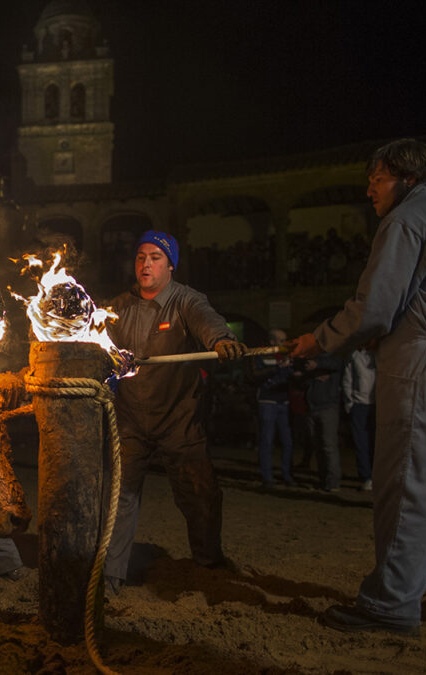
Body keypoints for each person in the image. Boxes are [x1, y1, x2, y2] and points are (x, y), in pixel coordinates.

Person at [289, 139, 426, 635]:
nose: (369, 191)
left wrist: (320, 339)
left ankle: (391, 604)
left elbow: (376, 307)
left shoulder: (406, 220)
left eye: (376, 180)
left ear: (403, 177)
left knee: (410, 478)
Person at [104, 230, 248, 593]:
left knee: (199, 492)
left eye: (155, 257)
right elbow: (96, 343)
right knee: (119, 495)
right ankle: (110, 574)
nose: (145, 264)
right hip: (131, 417)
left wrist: (221, 340)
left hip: (179, 418)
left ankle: (208, 562)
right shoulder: (118, 307)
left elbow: (207, 320)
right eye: (140, 257)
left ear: (170, 265)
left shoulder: (186, 300)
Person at [292, 353, 343, 492]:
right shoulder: (309, 361)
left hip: (327, 407)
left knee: (328, 445)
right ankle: (323, 480)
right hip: (312, 407)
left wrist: (317, 366)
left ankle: (333, 482)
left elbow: (337, 363)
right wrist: (305, 376)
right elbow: (305, 384)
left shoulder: (333, 356)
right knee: (319, 446)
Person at [252, 329, 294, 488]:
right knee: (267, 440)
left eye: (285, 340)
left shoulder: (287, 355)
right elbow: (255, 374)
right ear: (272, 342)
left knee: (287, 441)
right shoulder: (262, 354)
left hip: (283, 402)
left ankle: (286, 474)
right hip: (267, 401)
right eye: (281, 340)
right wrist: (277, 368)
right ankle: (267, 476)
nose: (284, 343)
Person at [341, 347, 376, 491]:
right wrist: (350, 402)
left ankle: (376, 475)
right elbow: (347, 379)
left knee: (376, 442)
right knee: (361, 442)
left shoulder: (377, 354)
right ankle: (366, 476)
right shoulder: (354, 355)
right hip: (360, 404)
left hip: (376, 404)